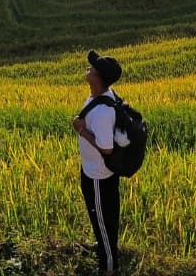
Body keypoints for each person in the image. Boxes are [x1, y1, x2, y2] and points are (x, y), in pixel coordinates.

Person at [73, 49, 126, 275]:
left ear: (98, 78)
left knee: (103, 221)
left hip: (98, 176)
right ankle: (106, 247)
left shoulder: (103, 112)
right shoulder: (101, 95)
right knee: (103, 218)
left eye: (92, 68)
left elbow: (106, 148)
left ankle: (109, 267)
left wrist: (81, 131)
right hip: (93, 171)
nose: (88, 69)